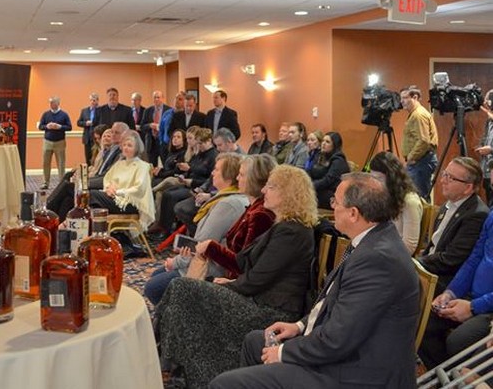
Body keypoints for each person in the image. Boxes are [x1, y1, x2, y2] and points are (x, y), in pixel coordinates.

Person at [212, 172, 420, 389]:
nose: (332, 207)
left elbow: (338, 340)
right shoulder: (373, 240)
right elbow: (337, 302)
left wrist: (284, 353)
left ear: (353, 213)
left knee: (224, 384)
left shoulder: (378, 259)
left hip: (359, 375)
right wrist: (300, 325)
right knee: (255, 341)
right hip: (350, 354)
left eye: (335, 202)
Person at [154, 165, 316, 388]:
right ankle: (168, 362)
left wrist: (228, 286)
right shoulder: (283, 226)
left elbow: (257, 279)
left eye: (270, 186)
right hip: (257, 298)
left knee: (183, 287)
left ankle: (167, 362)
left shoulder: (293, 231)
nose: (264, 191)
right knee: (180, 288)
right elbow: (244, 263)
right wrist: (218, 262)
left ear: (288, 193)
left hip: (269, 310)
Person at [144, 153, 246, 305]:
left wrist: (177, 262)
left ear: (228, 176)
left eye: (216, 170)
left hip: (209, 267)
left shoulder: (227, 205)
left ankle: (176, 319)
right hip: (207, 259)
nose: (212, 173)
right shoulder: (226, 198)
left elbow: (201, 244)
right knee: (157, 276)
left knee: (152, 288)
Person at [419, 210, 493, 369]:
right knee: (423, 322)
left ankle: (457, 378)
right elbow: (474, 258)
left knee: (458, 341)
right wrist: (450, 293)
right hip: (472, 296)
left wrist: (473, 307)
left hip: (488, 307)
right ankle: (444, 378)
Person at [198, 154, 277, 277]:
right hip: (228, 273)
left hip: (232, 279)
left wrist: (211, 247)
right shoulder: (252, 207)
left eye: (241, 174)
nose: (237, 178)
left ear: (254, 179)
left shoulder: (261, 214)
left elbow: (244, 264)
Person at [418, 156, 488, 293]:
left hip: (446, 281)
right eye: (445, 174)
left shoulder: (476, 215)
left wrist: (418, 263)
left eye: (451, 178)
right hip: (429, 269)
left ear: (468, 188)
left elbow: (451, 259)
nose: (443, 180)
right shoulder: (447, 205)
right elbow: (433, 245)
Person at [149, 126, 217, 235]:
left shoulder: (213, 156)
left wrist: (191, 180)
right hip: (190, 183)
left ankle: (166, 229)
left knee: (170, 195)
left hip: (198, 187)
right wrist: (185, 177)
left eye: (201, 143)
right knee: (166, 193)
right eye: (198, 143)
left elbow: (209, 179)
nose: (199, 146)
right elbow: (192, 168)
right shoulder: (201, 153)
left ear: (209, 141)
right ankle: (162, 225)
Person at [89, 130, 154, 230]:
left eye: (130, 145)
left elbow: (139, 189)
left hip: (129, 203)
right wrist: (108, 188)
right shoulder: (120, 164)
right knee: (85, 199)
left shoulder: (142, 166)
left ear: (136, 148)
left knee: (91, 195)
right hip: (113, 198)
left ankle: (93, 230)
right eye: (124, 145)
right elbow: (108, 179)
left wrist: (117, 192)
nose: (126, 148)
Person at [369, 151, 423, 254]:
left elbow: (409, 247)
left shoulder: (410, 202)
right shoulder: (385, 195)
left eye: (379, 178)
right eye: (373, 178)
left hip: (394, 257)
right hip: (381, 250)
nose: (375, 183)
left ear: (391, 177)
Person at [400, 84, 439, 201]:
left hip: (421, 161)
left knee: (419, 198)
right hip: (420, 161)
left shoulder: (418, 115)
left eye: (405, 98)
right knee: (417, 196)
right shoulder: (416, 114)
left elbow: (423, 140)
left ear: (415, 97)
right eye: (401, 98)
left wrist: (411, 157)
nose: (402, 101)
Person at [37, 95, 72, 189]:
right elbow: (40, 126)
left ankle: (61, 183)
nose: (51, 104)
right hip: (47, 142)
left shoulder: (64, 114)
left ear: (58, 103)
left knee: (61, 163)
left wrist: (59, 127)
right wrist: (46, 126)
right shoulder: (45, 114)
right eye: (50, 102)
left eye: (53, 102)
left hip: (60, 142)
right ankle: (45, 182)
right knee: (45, 163)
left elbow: (69, 127)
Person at [309, 131, 350, 210]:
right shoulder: (320, 156)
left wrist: (310, 186)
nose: (323, 144)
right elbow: (311, 171)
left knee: (305, 195)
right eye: (323, 141)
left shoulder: (338, 160)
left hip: (332, 194)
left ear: (334, 145)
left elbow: (328, 180)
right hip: (320, 189)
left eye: (327, 142)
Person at [140, 90, 171, 167]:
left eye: (158, 97)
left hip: (163, 142)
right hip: (151, 143)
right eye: (154, 97)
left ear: (163, 98)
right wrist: (150, 125)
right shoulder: (148, 110)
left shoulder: (169, 110)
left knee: (166, 165)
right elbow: (142, 126)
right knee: (150, 166)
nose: (156, 99)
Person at [474, 89, 493, 206]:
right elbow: (485, 138)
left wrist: (491, 150)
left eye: (487, 100)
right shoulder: (489, 121)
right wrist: (480, 147)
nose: (485, 103)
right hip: (487, 170)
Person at [158, 91, 186, 161]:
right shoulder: (167, 113)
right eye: (176, 98)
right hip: (165, 144)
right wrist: (161, 142)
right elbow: (161, 128)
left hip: (177, 147)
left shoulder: (186, 115)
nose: (177, 101)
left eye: (180, 99)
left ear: (185, 102)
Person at [77, 92, 99, 164]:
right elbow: (79, 122)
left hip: (97, 139)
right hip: (87, 139)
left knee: (97, 158)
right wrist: (86, 123)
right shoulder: (84, 111)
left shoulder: (101, 110)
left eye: (94, 100)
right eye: (91, 100)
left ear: (97, 101)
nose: (93, 102)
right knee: (88, 158)